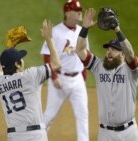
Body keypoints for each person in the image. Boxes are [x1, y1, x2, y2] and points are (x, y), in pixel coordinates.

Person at [75, 8, 138, 141]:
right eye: (108, 49)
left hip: (130, 133)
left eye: (114, 50)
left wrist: (117, 30)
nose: (109, 52)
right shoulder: (98, 66)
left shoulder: (131, 70)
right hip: (106, 134)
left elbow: (130, 54)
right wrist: (85, 28)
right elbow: (80, 50)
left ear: (122, 54)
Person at [0, 20, 61, 141]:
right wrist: (48, 39)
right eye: (20, 59)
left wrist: (9, 48)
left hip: (13, 136)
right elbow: (56, 64)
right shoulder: (30, 76)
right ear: (17, 65)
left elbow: (0, 67)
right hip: (35, 136)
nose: (22, 61)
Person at [40, 0, 89, 140]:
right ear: (67, 12)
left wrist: (83, 75)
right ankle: (36, 138)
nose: (80, 12)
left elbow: (85, 54)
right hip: (60, 78)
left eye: (80, 10)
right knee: (50, 115)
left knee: (83, 115)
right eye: (76, 10)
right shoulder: (56, 31)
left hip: (78, 79)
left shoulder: (82, 31)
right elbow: (47, 55)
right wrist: (54, 76)